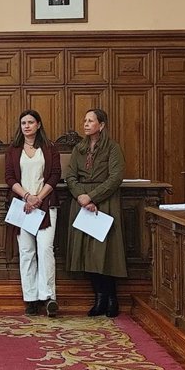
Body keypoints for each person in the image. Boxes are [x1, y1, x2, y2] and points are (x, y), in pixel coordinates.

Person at [66, 108, 126, 318]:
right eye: (85, 120)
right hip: (82, 205)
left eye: (91, 121)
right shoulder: (79, 149)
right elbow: (70, 177)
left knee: (104, 252)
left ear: (101, 125)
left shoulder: (113, 148)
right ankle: (98, 297)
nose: (86, 124)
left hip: (105, 203)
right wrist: (83, 197)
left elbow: (115, 178)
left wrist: (92, 197)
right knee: (87, 253)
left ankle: (111, 297)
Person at [5, 110, 62, 317]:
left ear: (38, 124)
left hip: (46, 205)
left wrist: (38, 197)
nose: (26, 126)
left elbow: (55, 175)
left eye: (30, 122)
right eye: (23, 123)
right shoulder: (13, 150)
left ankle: (48, 297)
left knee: (45, 249)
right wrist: (28, 196)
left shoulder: (49, 148)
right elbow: (9, 178)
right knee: (27, 252)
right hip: (23, 206)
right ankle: (30, 298)